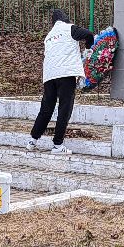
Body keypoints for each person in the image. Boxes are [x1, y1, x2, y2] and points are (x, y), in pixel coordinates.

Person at [27, 8, 93, 154]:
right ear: (66, 19)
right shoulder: (70, 28)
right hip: (66, 74)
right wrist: (88, 49)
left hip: (49, 75)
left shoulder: (49, 36)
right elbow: (89, 34)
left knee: (46, 108)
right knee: (65, 108)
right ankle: (57, 145)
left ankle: (32, 140)